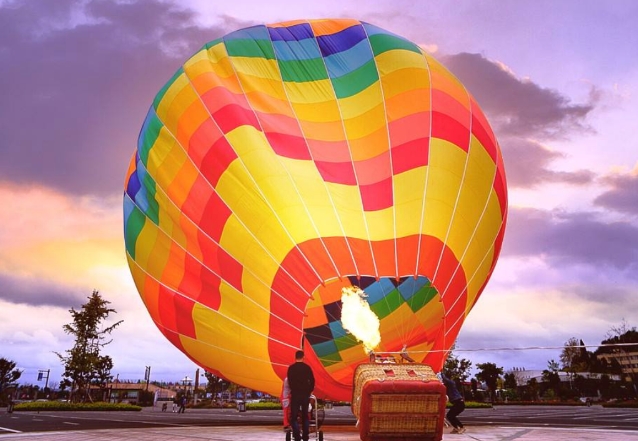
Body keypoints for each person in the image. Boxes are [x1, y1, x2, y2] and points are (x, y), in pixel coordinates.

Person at [287, 350, 315, 441]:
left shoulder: (291, 368)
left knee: (294, 417)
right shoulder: (307, 368)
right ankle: (305, 436)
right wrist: (309, 390)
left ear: (295, 357)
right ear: (303, 357)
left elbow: (289, 382)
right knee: (305, 416)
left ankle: (297, 436)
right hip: (305, 394)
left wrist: (293, 389)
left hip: (295, 394)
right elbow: (312, 380)